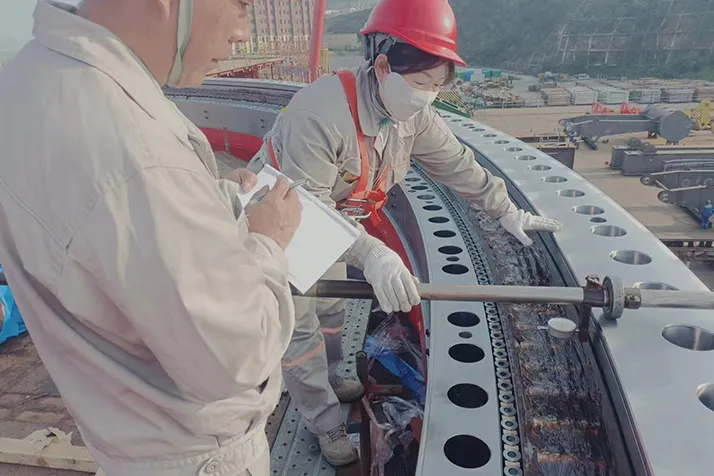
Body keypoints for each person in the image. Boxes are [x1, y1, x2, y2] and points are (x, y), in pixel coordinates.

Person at [247, 0, 564, 466]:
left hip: (338, 224)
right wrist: (373, 254)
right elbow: (307, 212)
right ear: (382, 66)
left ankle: (337, 375)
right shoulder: (319, 114)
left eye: (437, 85)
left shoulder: (410, 114)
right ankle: (326, 422)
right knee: (300, 331)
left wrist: (503, 209)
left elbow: (455, 163)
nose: (427, 96)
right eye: (420, 84)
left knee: (333, 307)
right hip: (283, 224)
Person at [0, 0, 302, 475]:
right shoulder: (135, 152)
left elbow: (106, 228)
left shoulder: (31, 77)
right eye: (241, 5)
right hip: (196, 456)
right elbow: (236, 357)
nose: (243, 32)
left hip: (124, 438)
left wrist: (203, 199)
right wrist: (267, 241)